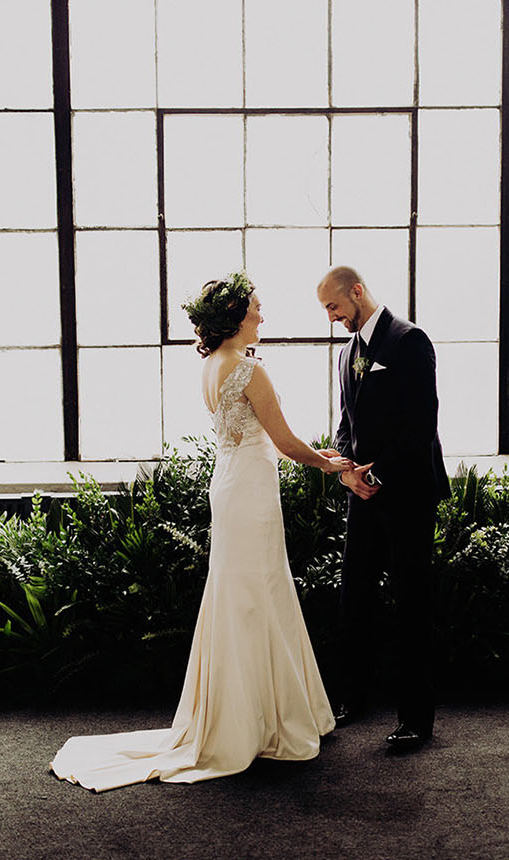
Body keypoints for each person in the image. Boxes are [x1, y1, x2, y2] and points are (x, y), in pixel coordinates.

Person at [50, 272, 351, 791]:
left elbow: (260, 439)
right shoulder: (250, 370)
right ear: (235, 316)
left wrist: (314, 454)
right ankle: (264, 718)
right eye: (256, 308)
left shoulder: (213, 366)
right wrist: (327, 463)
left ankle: (252, 712)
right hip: (251, 492)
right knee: (258, 593)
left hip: (231, 485)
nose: (262, 316)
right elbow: (282, 441)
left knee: (242, 594)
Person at [315, 265, 450, 751]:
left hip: (408, 494)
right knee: (354, 598)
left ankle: (416, 719)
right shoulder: (347, 352)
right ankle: (351, 699)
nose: (332, 318)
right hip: (363, 496)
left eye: (334, 306)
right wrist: (345, 470)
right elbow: (346, 424)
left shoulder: (410, 340)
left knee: (411, 603)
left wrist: (374, 475)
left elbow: (422, 425)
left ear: (356, 291)